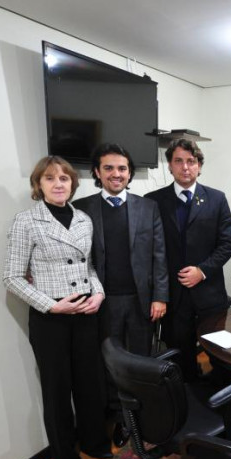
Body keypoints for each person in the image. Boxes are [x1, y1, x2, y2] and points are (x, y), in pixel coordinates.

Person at [3, 156, 110, 459]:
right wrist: (51, 305)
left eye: (64, 178)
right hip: (51, 319)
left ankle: (95, 442)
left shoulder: (83, 219)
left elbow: (89, 267)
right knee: (58, 390)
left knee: (90, 383)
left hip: (86, 313)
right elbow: (12, 277)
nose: (59, 183)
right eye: (50, 178)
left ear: (73, 184)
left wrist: (99, 293)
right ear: (39, 185)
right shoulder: (26, 221)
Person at [146, 139, 231, 381]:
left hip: (210, 294)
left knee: (220, 355)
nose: (185, 167)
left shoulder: (217, 199)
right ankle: (187, 407)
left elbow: (227, 244)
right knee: (179, 358)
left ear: (199, 166)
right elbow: (151, 249)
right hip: (174, 297)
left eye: (191, 161)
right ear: (170, 166)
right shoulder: (153, 201)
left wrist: (202, 270)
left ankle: (223, 404)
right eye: (179, 161)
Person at [73, 143, 168, 355]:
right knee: (106, 361)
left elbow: (159, 256)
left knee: (141, 358)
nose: (116, 174)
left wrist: (160, 297)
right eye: (108, 168)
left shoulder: (148, 207)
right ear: (97, 172)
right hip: (101, 301)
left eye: (122, 169)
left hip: (141, 301)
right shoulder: (81, 208)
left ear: (129, 172)